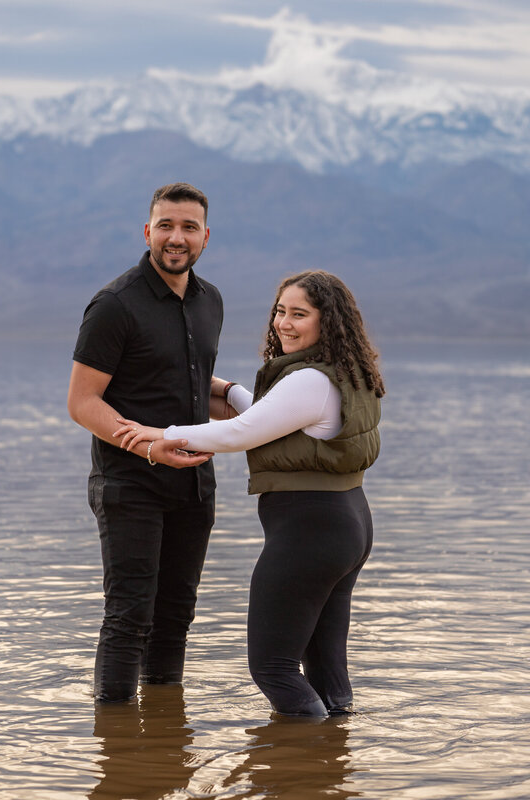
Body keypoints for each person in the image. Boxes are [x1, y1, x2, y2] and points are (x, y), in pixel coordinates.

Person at [117, 270, 383, 717]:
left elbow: (243, 432)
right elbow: (273, 417)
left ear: (328, 321)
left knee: (272, 667)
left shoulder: (309, 381)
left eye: (300, 314)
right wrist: (228, 389)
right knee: (324, 663)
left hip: (310, 534)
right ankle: (333, 762)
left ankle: (300, 759)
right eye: (280, 311)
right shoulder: (342, 373)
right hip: (346, 525)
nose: (284, 323)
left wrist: (158, 434)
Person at [67, 182, 224, 704]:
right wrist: (147, 448)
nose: (176, 238)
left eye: (188, 227)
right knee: (130, 614)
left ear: (205, 236)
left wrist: (257, 401)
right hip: (130, 483)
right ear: (147, 231)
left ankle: (162, 743)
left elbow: (193, 379)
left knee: (176, 614)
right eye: (166, 226)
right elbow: (83, 402)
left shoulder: (210, 301)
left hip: (195, 484)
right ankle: (114, 747)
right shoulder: (115, 305)